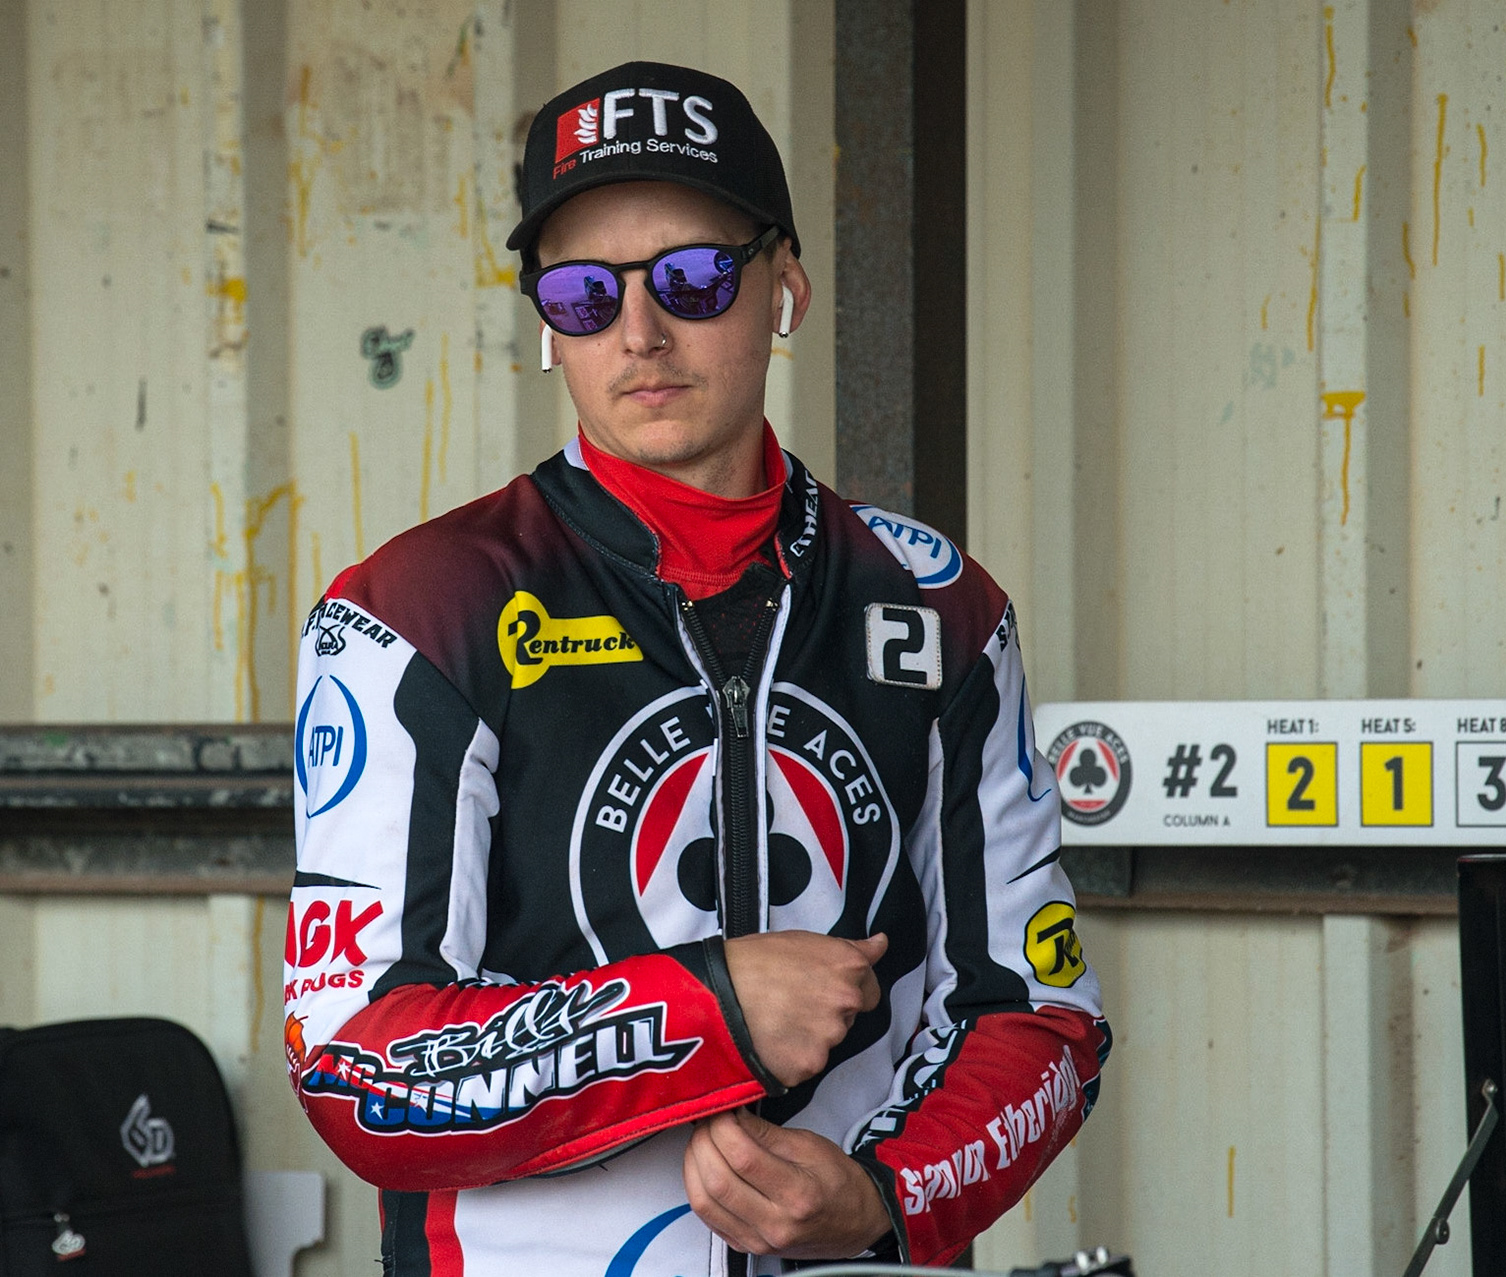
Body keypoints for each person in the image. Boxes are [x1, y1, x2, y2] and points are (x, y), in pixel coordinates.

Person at [283, 60, 1108, 1276]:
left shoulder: (940, 605)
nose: (640, 331)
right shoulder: (416, 610)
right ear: (547, 327)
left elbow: (1041, 1018)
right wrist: (706, 1012)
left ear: (786, 285)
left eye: (692, 275)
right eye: (581, 291)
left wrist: (884, 1193)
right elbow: (357, 1063)